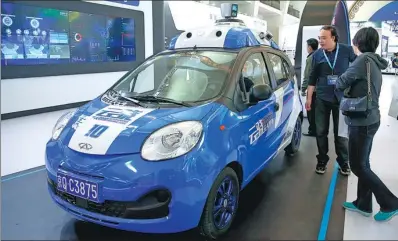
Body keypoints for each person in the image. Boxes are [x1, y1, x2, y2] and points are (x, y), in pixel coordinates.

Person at [336, 27, 398, 222]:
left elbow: (341, 82)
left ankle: (390, 203)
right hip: (371, 118)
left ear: (358, 42)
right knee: (364, 163)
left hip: (361, 121)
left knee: (357, 166)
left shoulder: (362, 60)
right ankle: (363, 203)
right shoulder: (375, 62)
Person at [305, 25, 357, 175]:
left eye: (324, 38)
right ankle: (322, 160)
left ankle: (343, 162)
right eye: (319, 38)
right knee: (321, 131)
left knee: (340, 133)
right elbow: (312, 79)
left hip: (342, 98)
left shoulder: (347, 50)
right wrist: (309, 98)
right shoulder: (317, 55)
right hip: (322, 98)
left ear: (333, 38)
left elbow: (356, 68)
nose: (320, 41)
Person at [301, 38, 319, 137]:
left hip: (312, 89)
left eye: (307, 46)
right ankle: (317, 130)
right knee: (317, 112)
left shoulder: (310, 58)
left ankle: (312, 131)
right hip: (320, 89)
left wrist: (303, 88)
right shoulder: (321, 55)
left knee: (310, 111)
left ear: (310, 47)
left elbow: (307, 75)